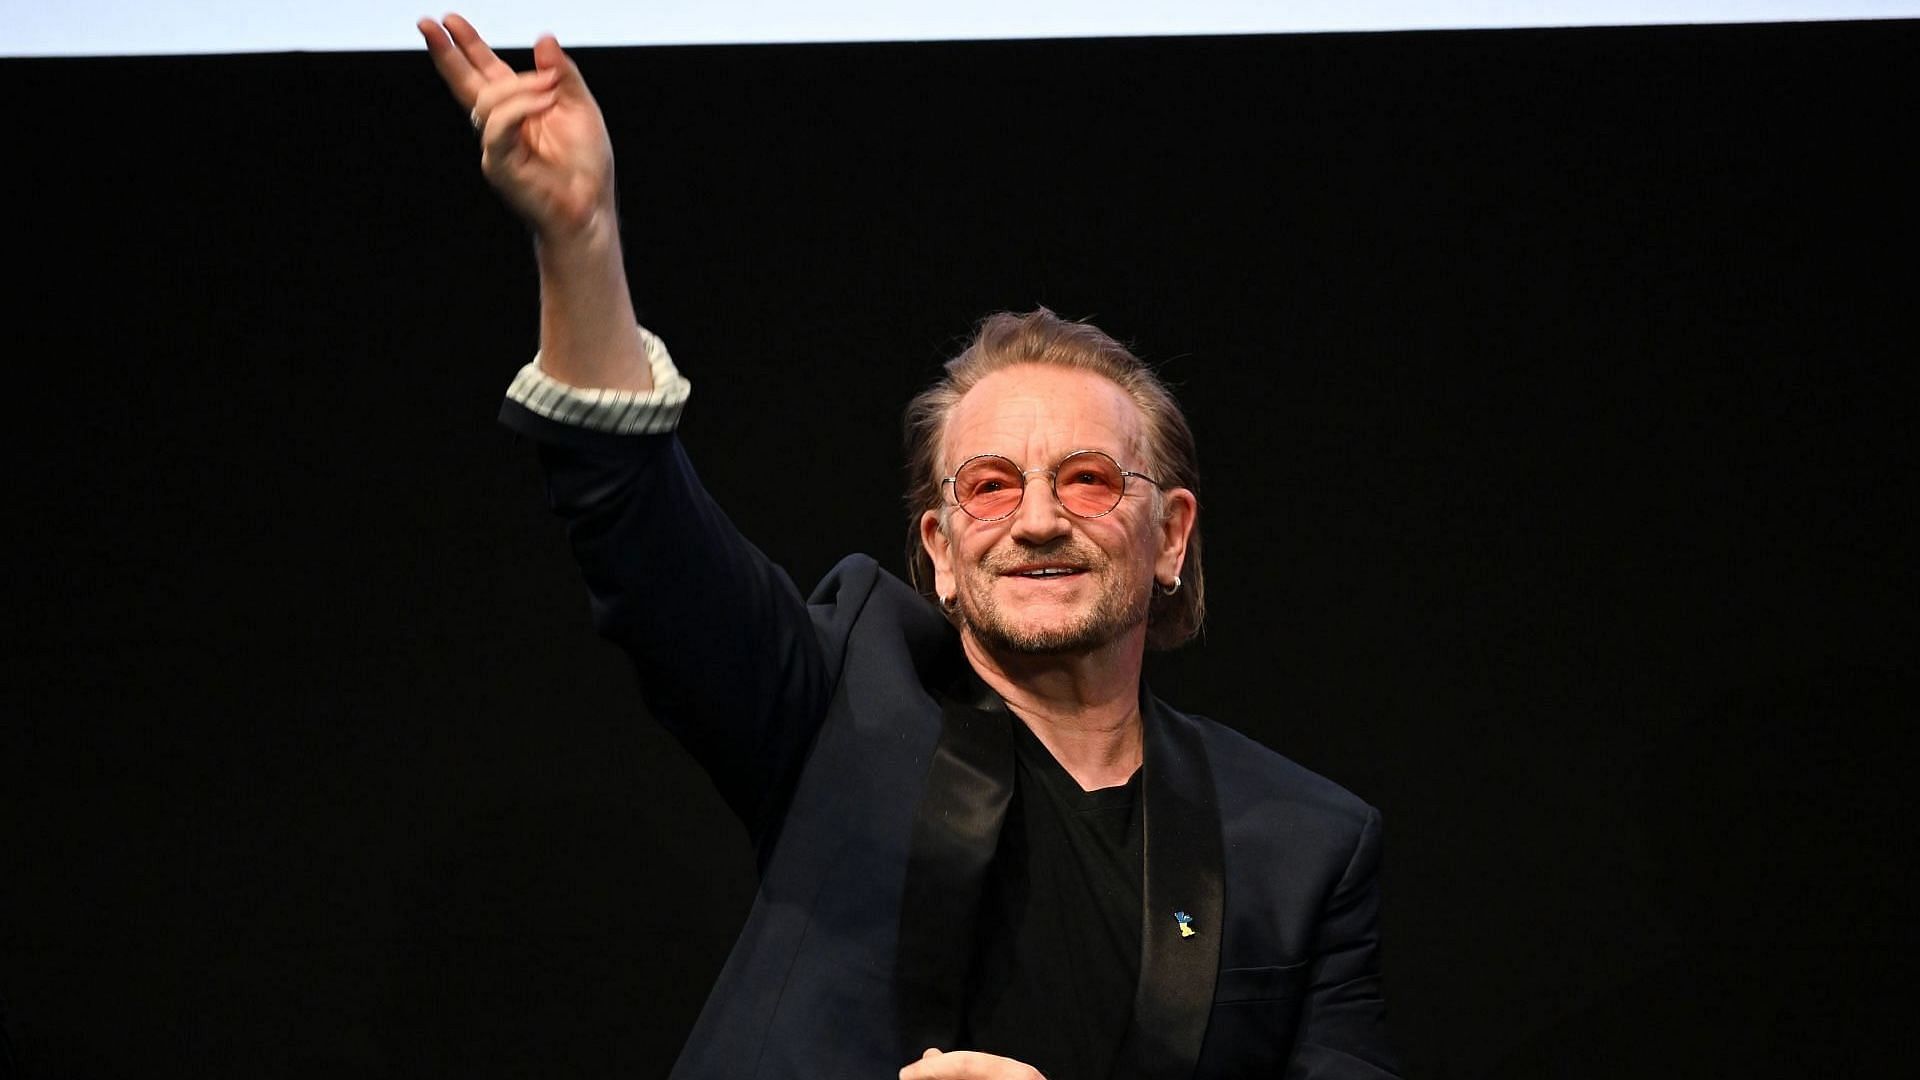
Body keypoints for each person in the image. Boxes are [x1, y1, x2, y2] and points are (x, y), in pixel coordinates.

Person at [420, 14, 1398, 1079]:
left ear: (1171, 535)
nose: (1035, 521)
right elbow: (645, 534)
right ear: (937, 547)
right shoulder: (843, 696)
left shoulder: (1304, 842)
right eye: (989, 487)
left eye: (1085, 479)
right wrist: (581, 242)